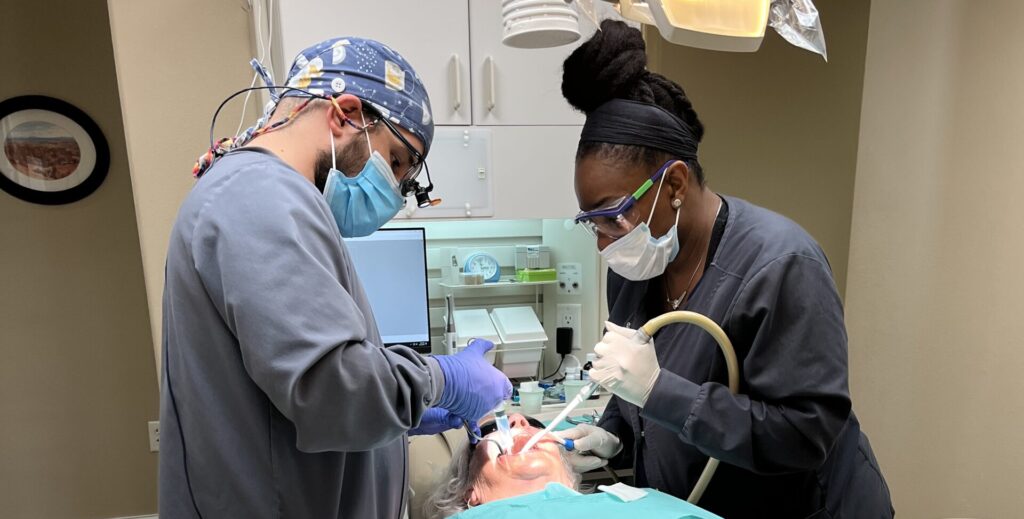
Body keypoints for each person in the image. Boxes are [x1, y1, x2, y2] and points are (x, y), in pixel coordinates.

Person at [160, 37, 511, 519]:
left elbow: (293, 393)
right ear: (343, 114)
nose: (393, 192)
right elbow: (332, 389)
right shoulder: (259, 198)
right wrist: (441, 379)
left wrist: (399, 416)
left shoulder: (267, 197)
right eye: (395, 161)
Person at [554, 21, 894, 518]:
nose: (605, 240)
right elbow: (642, 396)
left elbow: (804, 435)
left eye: (613, 216)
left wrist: (659, 389)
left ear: (673, 185)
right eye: (592, 223)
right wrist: (617, 434)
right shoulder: (632, 267)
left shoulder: (781, 267)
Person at [425, 414, 722, 519]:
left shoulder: (648, 500)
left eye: (534, 425)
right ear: (469, 493)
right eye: (492, 430)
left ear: (570, 476)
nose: (518, 422)